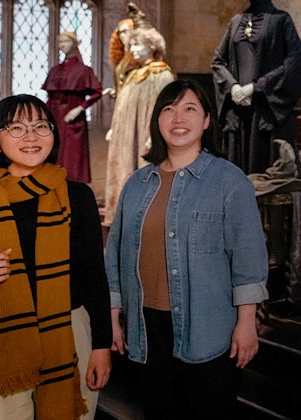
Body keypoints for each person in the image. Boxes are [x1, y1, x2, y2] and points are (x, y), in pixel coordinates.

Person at [106, 79, 269, 420]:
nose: (178, 118)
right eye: (169, 109)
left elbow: (248, 259)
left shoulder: (229, 181)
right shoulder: (137, 184)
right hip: (146, 330)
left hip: (209, 327)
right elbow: (115, 257)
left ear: (207, 121)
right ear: (158, 120)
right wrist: (112, 319)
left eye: (190, 109)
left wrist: (247, 322)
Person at [0, 94, 111, 420]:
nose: (31, 136)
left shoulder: (77, 197)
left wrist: (102, 346)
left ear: (53, 134)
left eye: (40, 126)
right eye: (17, 127)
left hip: (68, 331)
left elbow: (94, 277)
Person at [211, 0, 301, 177]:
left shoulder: (281, 20)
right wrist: (233, 88)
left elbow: (292, 63)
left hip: (267, 115)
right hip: (239, 115)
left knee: (269, 174)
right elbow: (218, 61)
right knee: (237, 175)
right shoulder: (235, 22)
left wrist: (255, 87)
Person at [103, 25, 175, 224]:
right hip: (124, 134)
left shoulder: (162, 74)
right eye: (131, 45)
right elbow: (122, 106)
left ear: (152, 46)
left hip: (145, 132)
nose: (133, 50)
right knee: (124, 167)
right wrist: (113, 128)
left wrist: (156, 133)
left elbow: (166, 106)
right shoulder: (133, 74)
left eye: (138, 45)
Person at [43, 30, 104, 183]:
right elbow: (49, 96)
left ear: (75, 43)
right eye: (60, 42)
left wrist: (80, 108)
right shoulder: (55, 70)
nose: (62, 45)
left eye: (66, 41)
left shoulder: (84, 70)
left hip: (72, 117)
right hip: (54, 114)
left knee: (72, 156)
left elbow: (97, 92)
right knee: (53, 151)